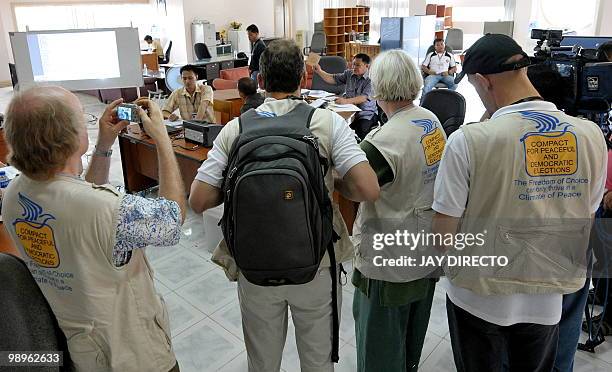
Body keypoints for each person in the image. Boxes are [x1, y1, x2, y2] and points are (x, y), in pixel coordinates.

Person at [189, 39, 379, 372]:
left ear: (260, 80)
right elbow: (367, 187)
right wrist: (329, 184)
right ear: (303, 80)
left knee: (262, 362)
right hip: (317, 260)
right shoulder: (327, 123)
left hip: (255, 265)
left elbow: (199, 199)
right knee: (318, 360)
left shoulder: (236, 129)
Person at [432, 34, 606, 372]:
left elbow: (442, 237)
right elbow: (586, 213)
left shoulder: (468, 141)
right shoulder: (590, 136)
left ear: (483, 81)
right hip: (547, 298)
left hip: (477, 296)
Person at [2, 86, 186, 371]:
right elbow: (172, 220)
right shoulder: (106, 208)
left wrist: (103, 145)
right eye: (81, 116)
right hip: (137, 355)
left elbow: (76, 193)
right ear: (71, 136)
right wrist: (162, 139)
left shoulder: (15, 196)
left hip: (86, 353)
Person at [351, 49, 445, 371]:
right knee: (410, 338)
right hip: (426, 249)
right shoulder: (429, 121)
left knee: (380, 346)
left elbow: (356, 188)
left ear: (378, 89)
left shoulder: (382, 141)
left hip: (389, 260)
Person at [313, 53, 378, 139]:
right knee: (336, 129)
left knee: (360, 133)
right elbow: (333, 79)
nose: (354, 67)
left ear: (367, 66)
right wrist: (320, 71)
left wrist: (345, 101)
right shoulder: (349, 74)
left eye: (358, 65)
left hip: (365, 114)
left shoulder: (371, 79)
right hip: (349, 111)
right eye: (353, 64)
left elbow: (363, 98)